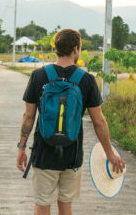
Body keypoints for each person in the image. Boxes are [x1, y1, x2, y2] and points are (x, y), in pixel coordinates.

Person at [16, 28, 126, 215]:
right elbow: (99, 121)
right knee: (65, 205)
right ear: (76, 49)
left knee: (42, 204)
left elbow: (28, 116)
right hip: (72, 154)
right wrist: (109, 153)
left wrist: (21, 148)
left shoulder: (39, 76)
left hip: (44, 153)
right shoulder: (86, 80)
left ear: (56, 48)